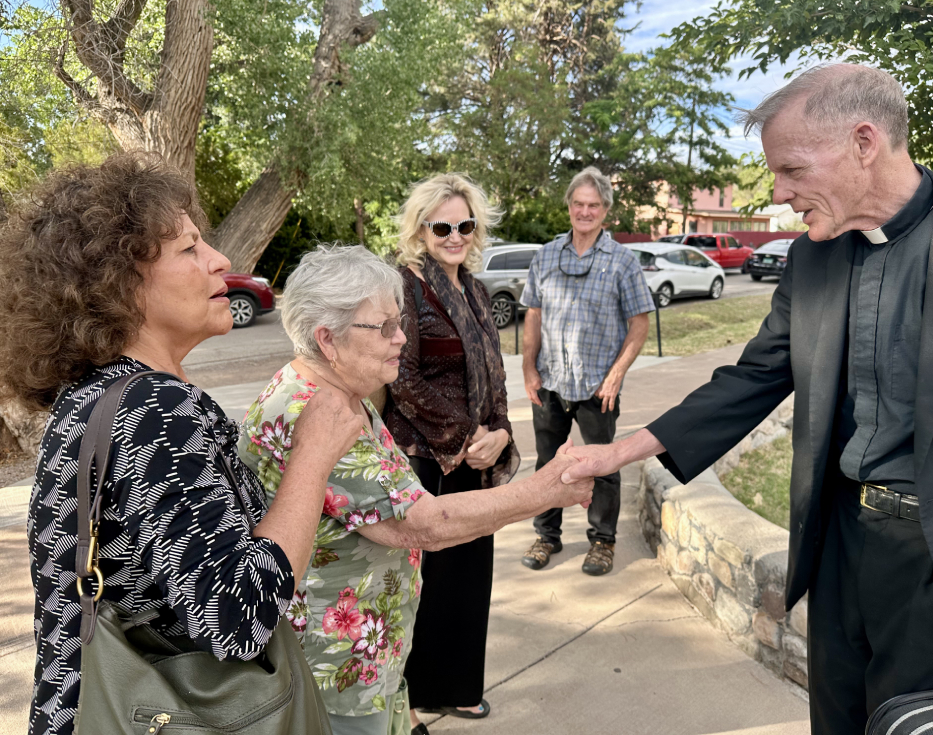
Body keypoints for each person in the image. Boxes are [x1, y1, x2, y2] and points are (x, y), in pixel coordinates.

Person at [558, 64, 933, 733]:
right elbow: (755, 375)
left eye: (792, 169)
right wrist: (623, 450)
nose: (778, 190)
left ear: (863, 141)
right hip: (840, 547)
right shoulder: (812, 258)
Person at [0, 153, 359, 735]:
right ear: (118, 284)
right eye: (189, 249)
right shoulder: (157, 411)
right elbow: (238, 616)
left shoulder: (92, 397)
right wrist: (313, 454)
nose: (221, 261)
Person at [238, 244, 592, 735]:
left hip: (363, 665)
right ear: (328, 339)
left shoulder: (341, 393)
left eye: (399, 322)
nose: (402, 338)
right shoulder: (311, 410)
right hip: (334, 679)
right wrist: (546, 490)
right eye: (384, 327)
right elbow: (425, 524)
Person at [382, 173, 517, 727]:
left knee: (468, 575)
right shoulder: (405, 287)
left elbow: (495, 372)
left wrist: (502, 433)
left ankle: (457, 686)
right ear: (421, 228)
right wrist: (467, 437)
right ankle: (410, 700)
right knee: (424, 583)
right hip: (425, 457)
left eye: (465, 224)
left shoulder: (477, 290)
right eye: (443, 225)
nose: (455, 234)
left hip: (477, 455)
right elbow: (402, 378)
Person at [519, 166, 654, 576]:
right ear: (569, 207)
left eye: (593, 205)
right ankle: (547, 535)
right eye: (578, 203)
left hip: (599, 387)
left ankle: (602, 541)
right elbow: (533, 315)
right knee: (547, 464)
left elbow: (640, 323)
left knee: (604, 466)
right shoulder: (546, 256)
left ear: (605, 211)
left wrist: (615, 376)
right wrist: (528, 367)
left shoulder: (622, 261)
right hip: (550, 382)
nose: (584, 211)